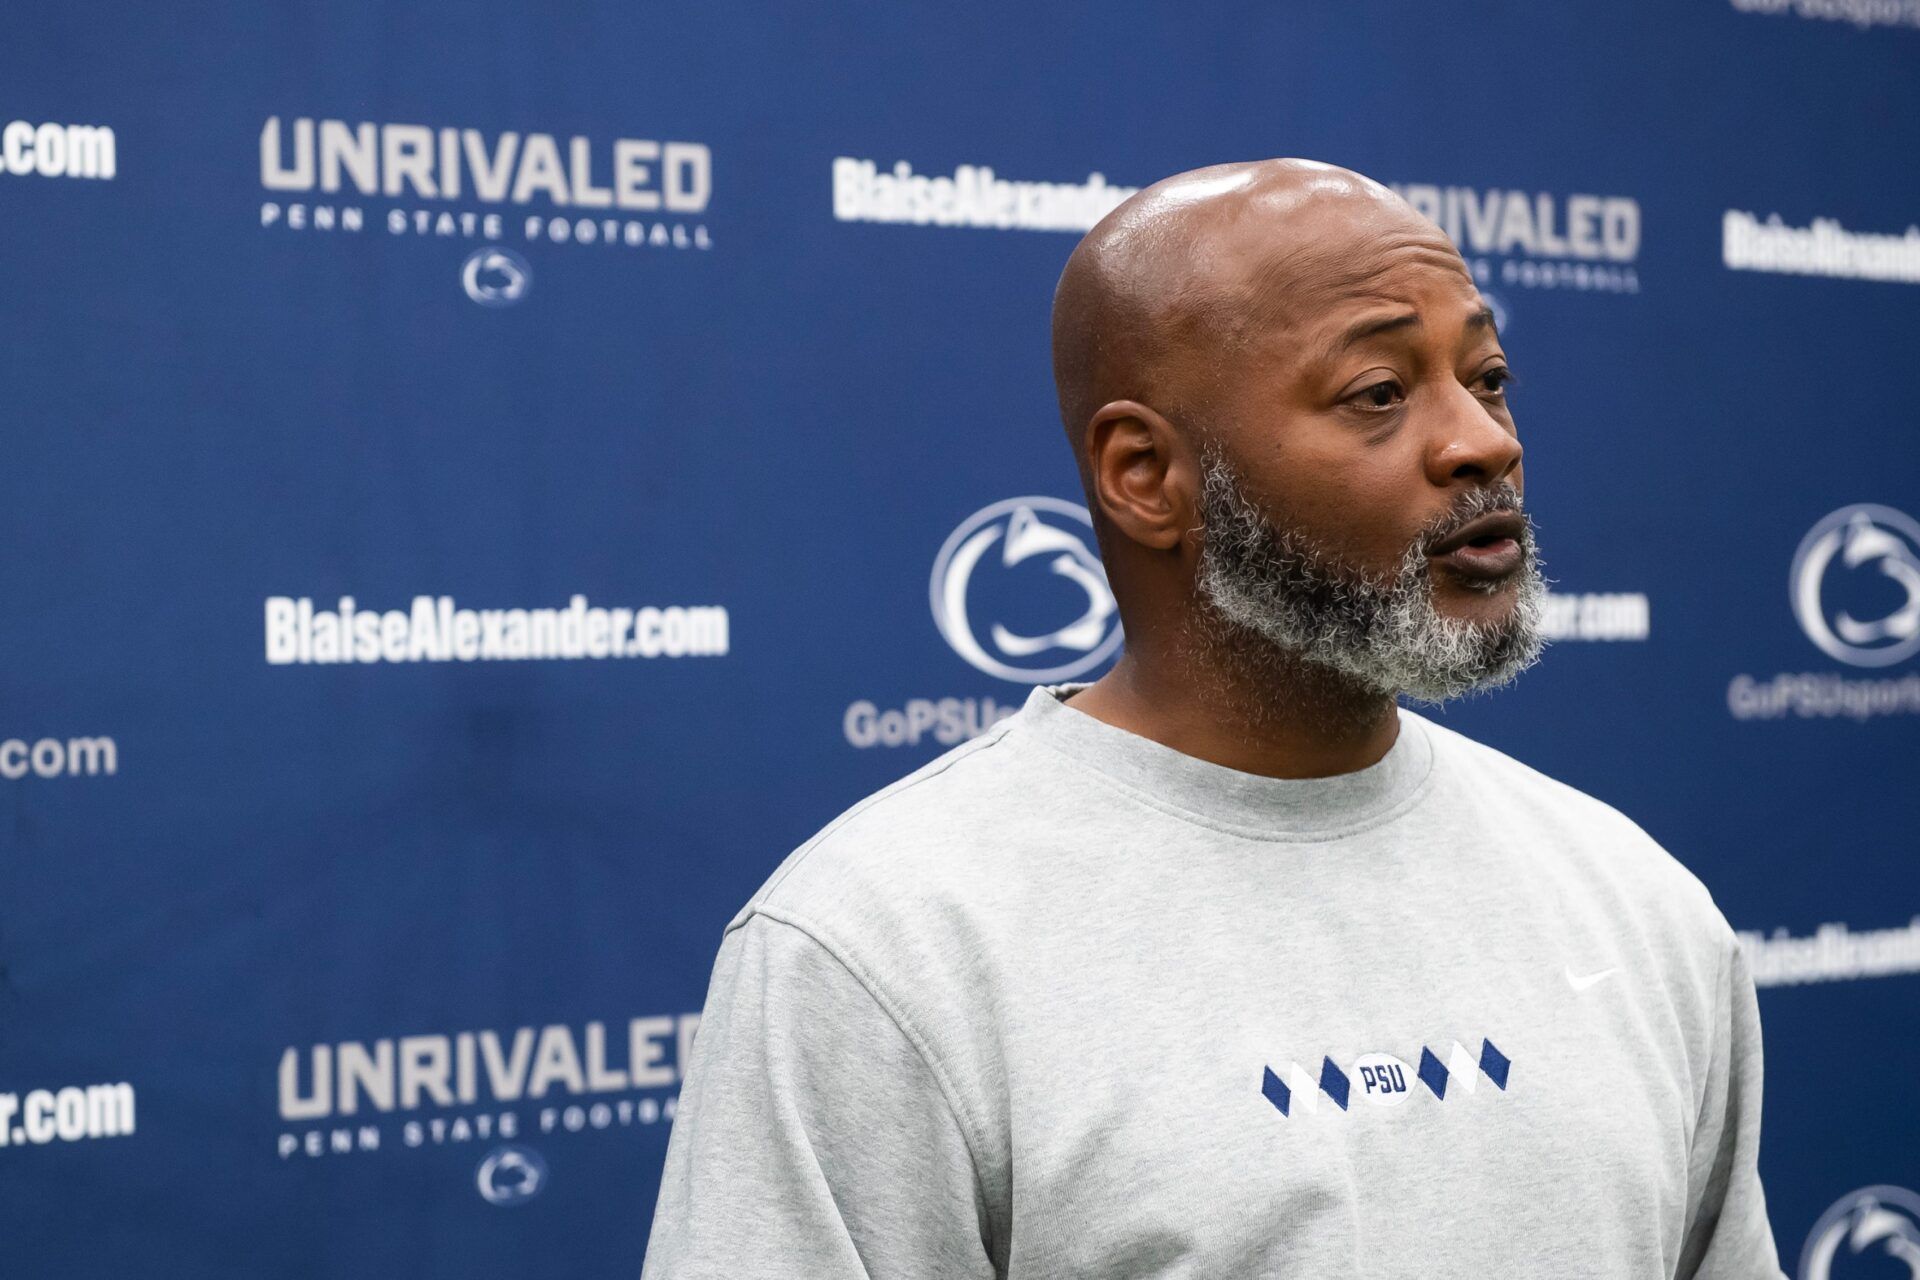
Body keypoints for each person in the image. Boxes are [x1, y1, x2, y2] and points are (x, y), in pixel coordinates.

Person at [640, 159, 1783, 1278]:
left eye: (1486, 377)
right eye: (1379, 393)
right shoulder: (883, 950)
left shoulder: (1636, 901)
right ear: (1146, 476)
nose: (1486, 441)